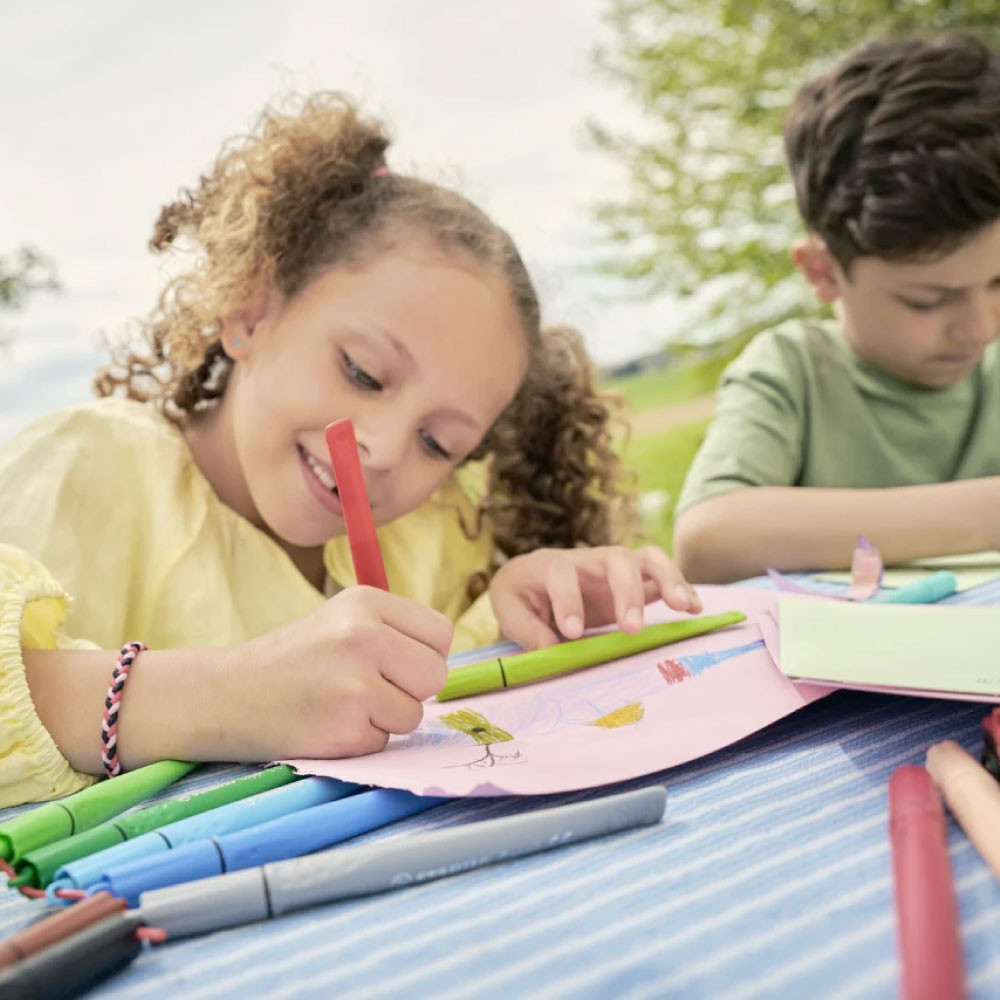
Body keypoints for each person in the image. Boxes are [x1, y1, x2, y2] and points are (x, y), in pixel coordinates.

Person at [0, 93, 699, 806]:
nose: (387, 448)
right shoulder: (89, 468)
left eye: (440, 442)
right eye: (362, 372)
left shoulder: (429, 536)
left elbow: (440, 707)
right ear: (250, 309)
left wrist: (519, 609)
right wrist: (233, 696)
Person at [673, 33, 1000, 583]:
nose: (980, 326)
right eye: (927, 300)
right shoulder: (794, 371)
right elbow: (708, 539)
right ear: (823, 272)